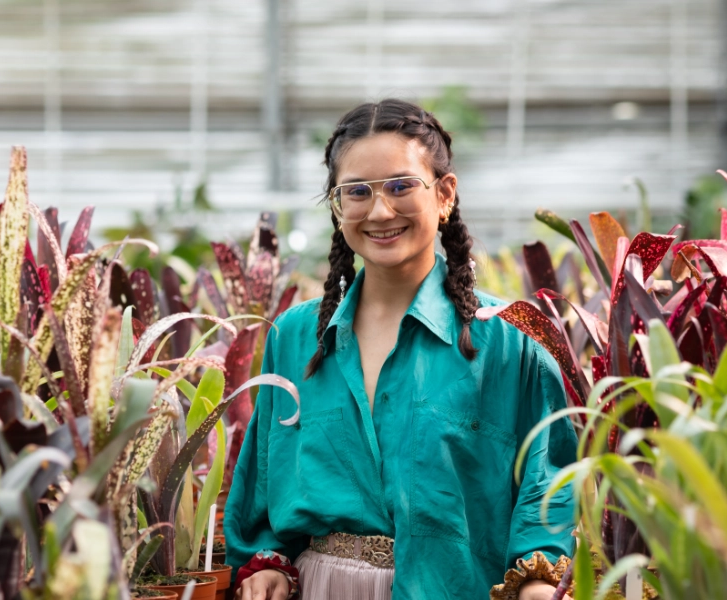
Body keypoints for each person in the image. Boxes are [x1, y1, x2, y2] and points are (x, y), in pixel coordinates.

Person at [225, 99, 578, 600]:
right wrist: (269, 566)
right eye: (357, 192)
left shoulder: (510, 337)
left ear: (445, 194)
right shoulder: (296, 336)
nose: (380, 210)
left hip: (455, 587)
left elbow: (550, 477)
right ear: (336, 205)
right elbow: (264, 482)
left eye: (400, 186)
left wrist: (539, 580)